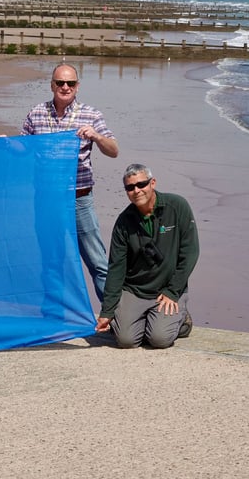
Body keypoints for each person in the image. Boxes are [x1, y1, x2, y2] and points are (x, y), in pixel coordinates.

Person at [21, 62, 119, 303]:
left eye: (70, 83)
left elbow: (113, 150)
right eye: (60, 83)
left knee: (96, 260)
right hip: (46, 201)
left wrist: (96, 136)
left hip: (79, 199)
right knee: (50, 260)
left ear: (78, 86)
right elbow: (23, 148)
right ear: (52, 84)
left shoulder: (91, 115)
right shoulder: (37, 113)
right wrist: (5, 144)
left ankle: (112, 314)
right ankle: (54, 313)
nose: (65, 87)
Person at [95, 164, 199, 349]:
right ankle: (138, 320)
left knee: (159, 339)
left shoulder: (177, 206)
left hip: (166, 290)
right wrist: (107, 311)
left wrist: (173, 291)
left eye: (141, 184)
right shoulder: (123, 222)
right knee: (126, 341)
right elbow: (117, 268)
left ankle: (182, 320)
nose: (136, 190)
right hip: (135, 290)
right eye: (130, 187)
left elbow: (190, 252)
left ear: (152, 183)